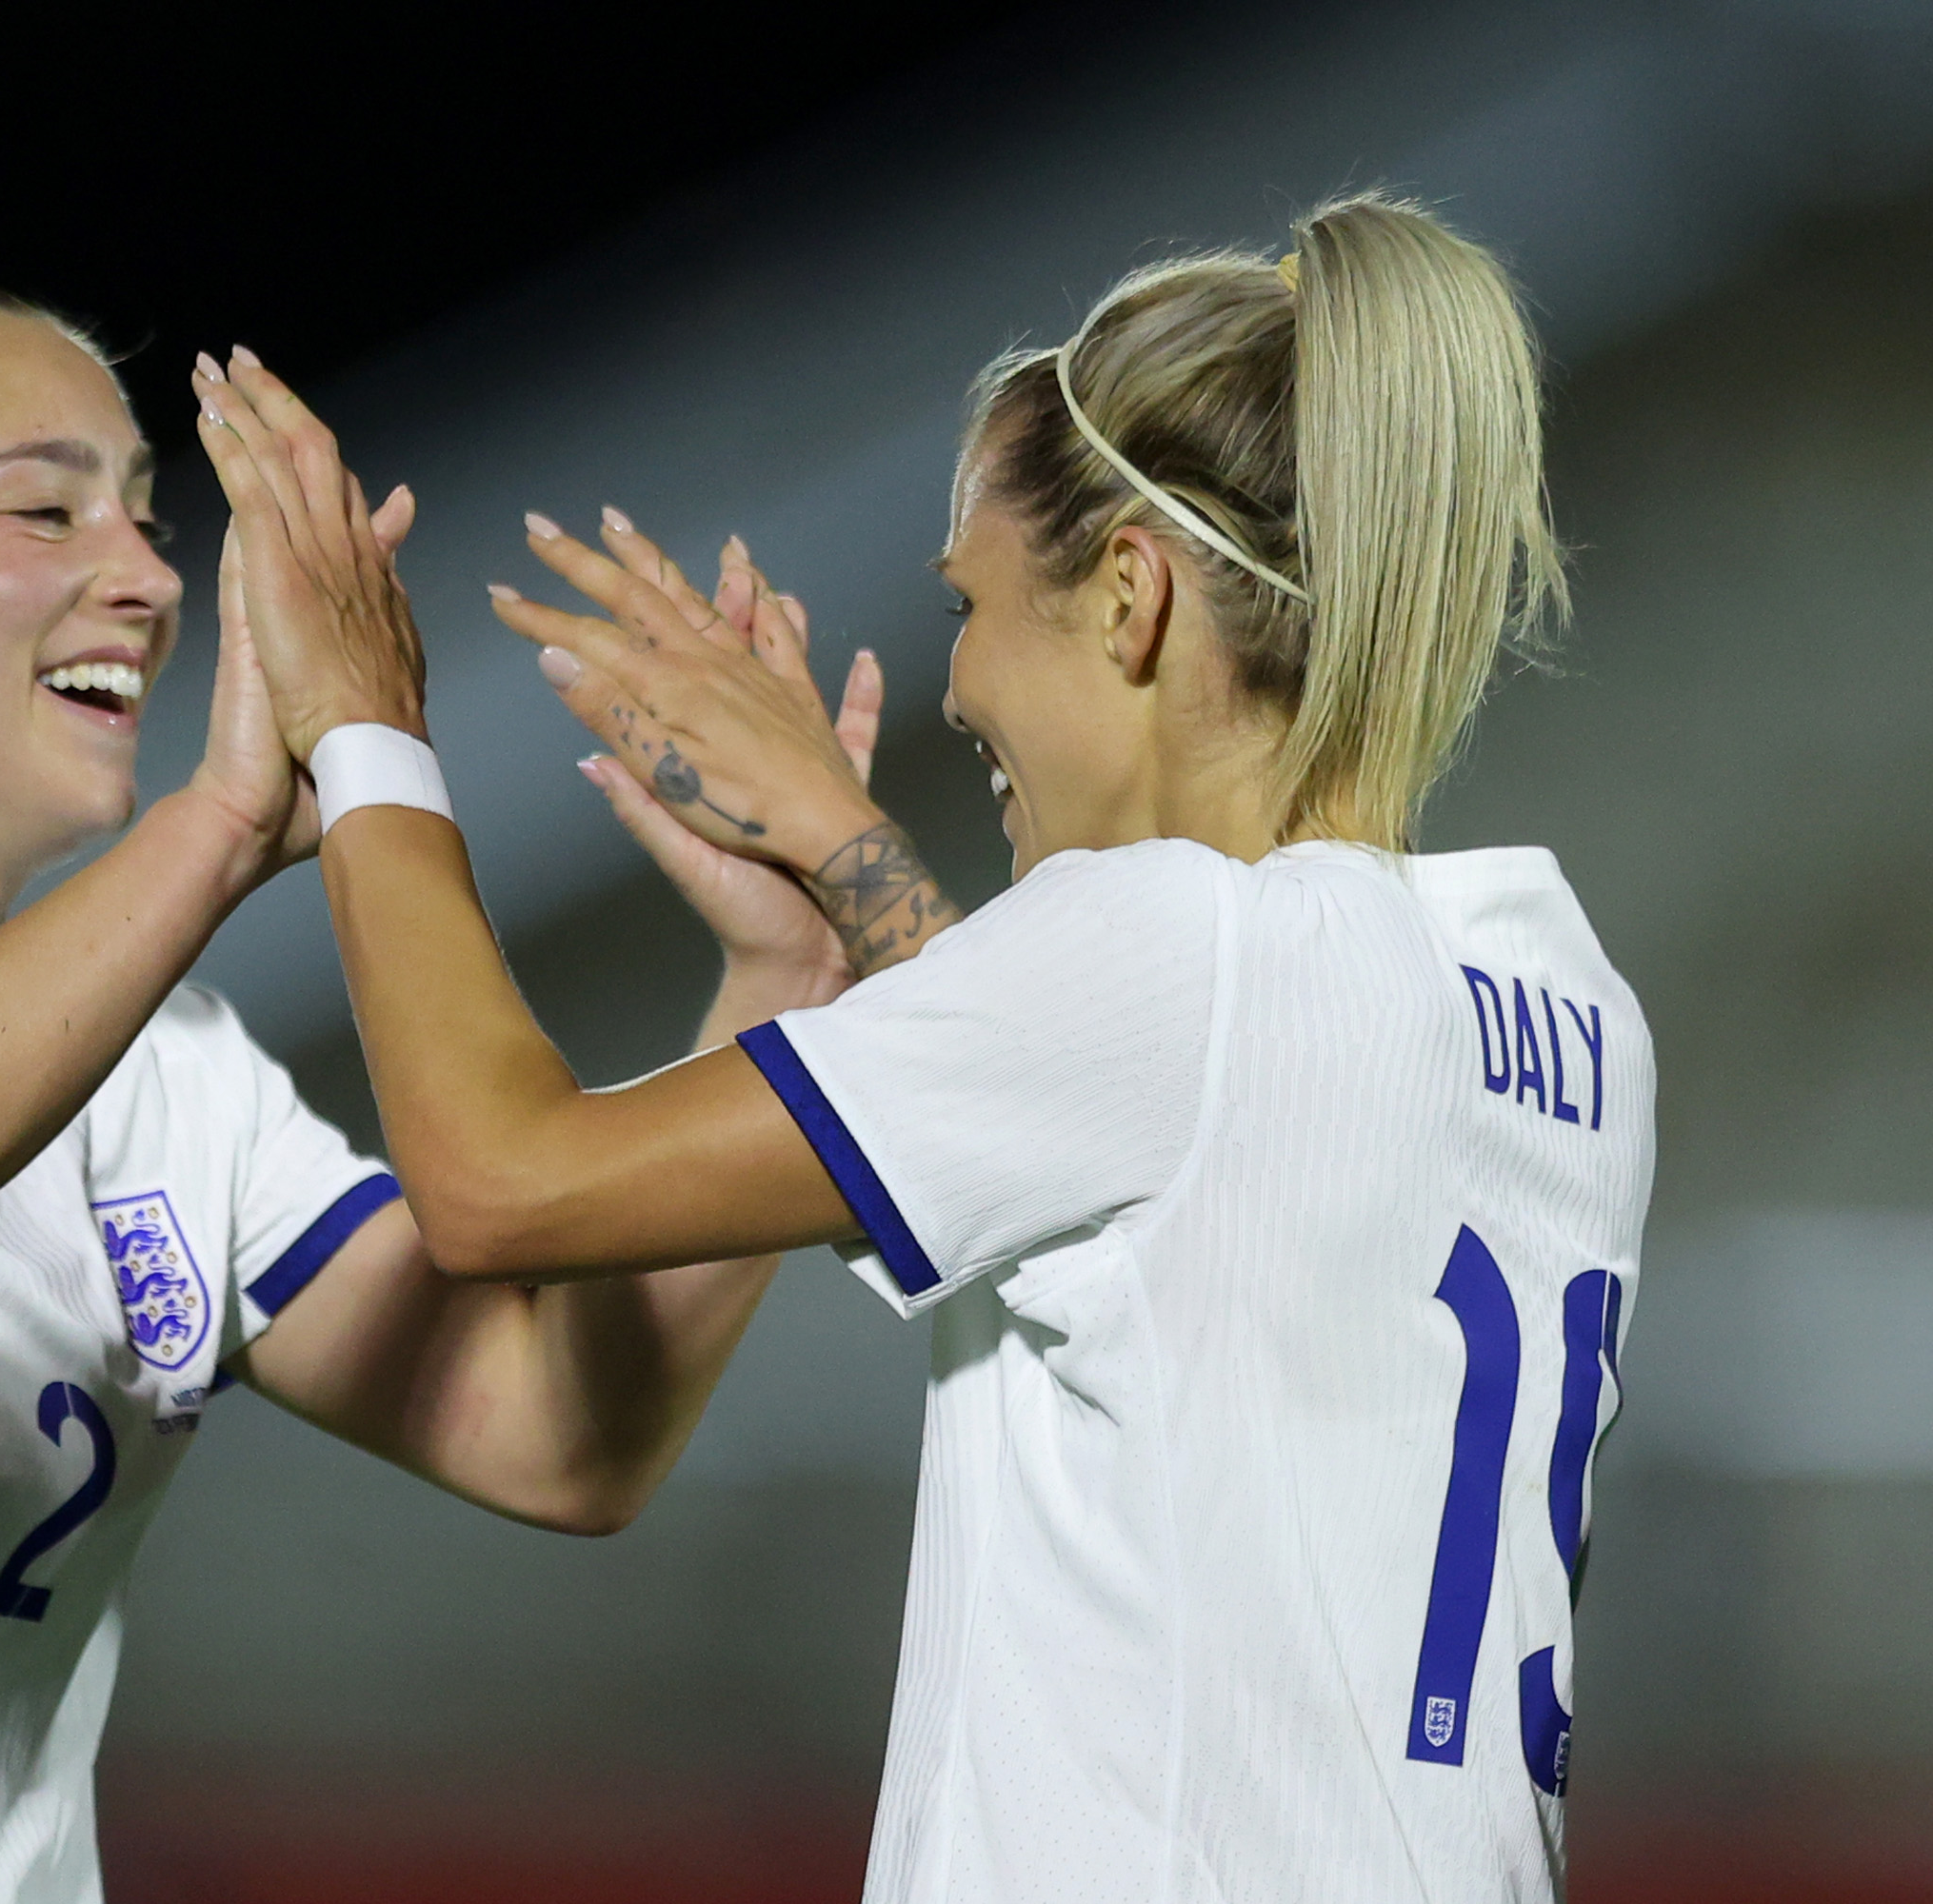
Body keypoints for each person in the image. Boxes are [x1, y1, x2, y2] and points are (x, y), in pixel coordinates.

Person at [196, 191, 1655, 1900]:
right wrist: (841, 852)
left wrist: (365, 720)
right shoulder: (1556, 994)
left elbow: (497, 1183)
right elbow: (1138, 1174)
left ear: (1130, 599)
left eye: (969, 601)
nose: (954, 685)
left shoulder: (1169, 962)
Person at [0, 259, 869, 1901]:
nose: (149, 579)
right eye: (46, 513)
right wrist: (225, 823)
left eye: (147, 517)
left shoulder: (175, 1079)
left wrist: (782, 987)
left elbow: (559, 1437)